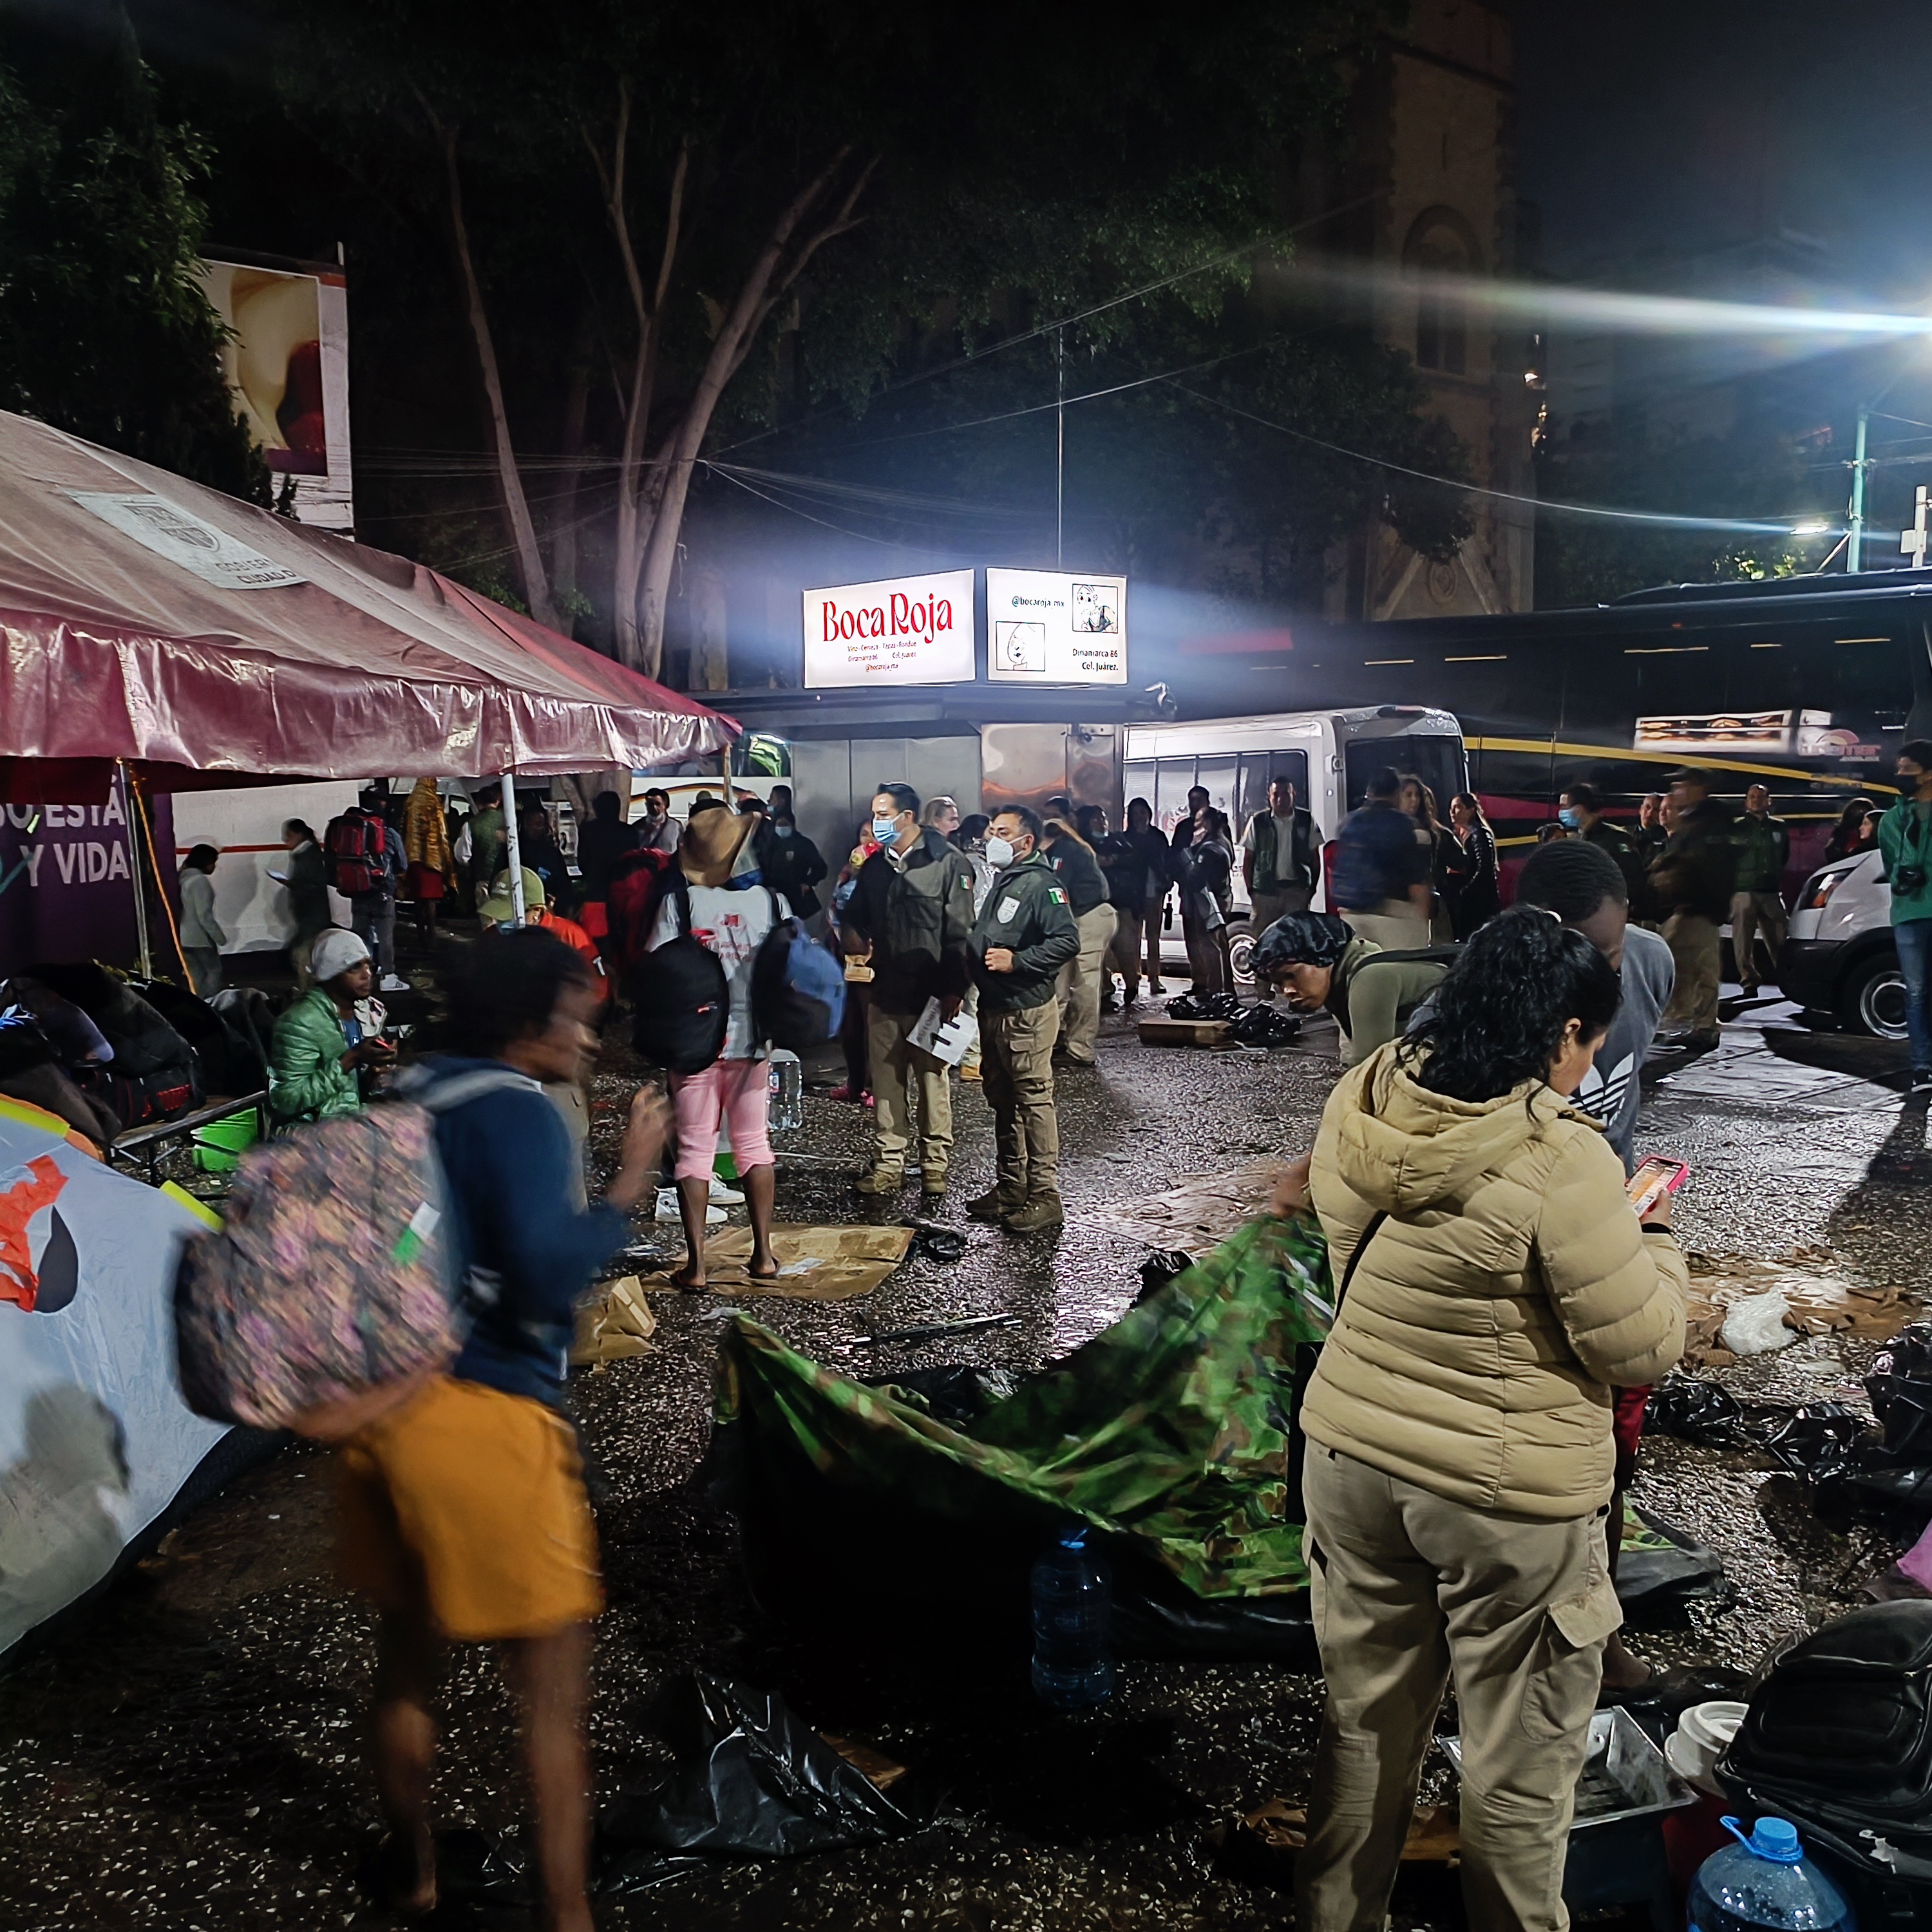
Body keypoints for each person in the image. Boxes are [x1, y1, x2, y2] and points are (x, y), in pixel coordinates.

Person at [1287, 909, 1688, 1932]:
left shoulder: (1365, 1096)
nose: (1590, 1061)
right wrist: (1662, 1243)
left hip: (1351, 1451)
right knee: (1519, 1769)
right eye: (1591, 1041)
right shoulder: (1564, 1158)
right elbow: (1636, 1347)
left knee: (1364, 1729)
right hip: (1502, 1494)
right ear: (1561, 1034)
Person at [337, 927, 668, 1931]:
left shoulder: (411, 1089)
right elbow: (543, 1269)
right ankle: (566, 1917)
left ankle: (417, 1874)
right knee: (551, 1712)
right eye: (576, 1021)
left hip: (379, 1414)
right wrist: (627, 1185)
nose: (589, 1044)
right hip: (486, 1423)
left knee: (404, 1669)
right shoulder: (517, 1114)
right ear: (528, 1022)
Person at [647, 804, 784, 1285]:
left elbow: (656, 971)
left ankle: (698, 1265)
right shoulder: (772, 902)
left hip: (694, 1042)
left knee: (694, 1149)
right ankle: (764, 1255)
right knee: (753, 1143)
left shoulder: (679, 905)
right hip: (755, 1041)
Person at [842, 783, 978, 1200]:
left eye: (884, 814)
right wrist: (855, 944)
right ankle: (889, 1165)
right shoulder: (877, 868)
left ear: (907, 818)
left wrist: (955, 988)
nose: (877, 822)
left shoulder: (947, 863)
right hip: (886, 993)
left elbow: (961, 933)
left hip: (934, 998)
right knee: (887, 1085)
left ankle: (935, 1165)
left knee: (933, 1082)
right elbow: (854, 918)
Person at [1513, 838, 1675, 1171]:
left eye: (1609, 957)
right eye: (1574, 959)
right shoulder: (1469, 1005)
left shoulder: (1651, 963)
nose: (1595, 981)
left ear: (1626, 912)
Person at [967, 806, 1079, 1233]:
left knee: (1033, 1099)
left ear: (1026, 842)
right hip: (995, 1008)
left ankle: (1044, 1195)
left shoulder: (1041, 884)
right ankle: (1011, 1187)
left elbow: (1066, 940)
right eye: (992, 830)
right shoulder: (1006, 879)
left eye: (1003, 832)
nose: (993, 838)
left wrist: (1019, 962)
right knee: (1003, 1100)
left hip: (1025, 1011)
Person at [1253, 912, 1452, 1066]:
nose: (1287, 990)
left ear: (1323, 957)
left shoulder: (1370, 978)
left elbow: (1370, 1073)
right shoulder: (1341, 980)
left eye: (1291, 976)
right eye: (1279, 983)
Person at [269, 929, 395, 1123]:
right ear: (331, 974)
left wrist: (374, 1071)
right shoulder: (300, 1022)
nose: (367, 975)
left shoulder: (367, 1013)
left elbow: (352, 1089)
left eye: (369, 966)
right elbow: (286, 1100)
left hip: (353, 1121)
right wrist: (350, 1059)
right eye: (355, 968)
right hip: (312, 1131)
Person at [1651, 768, 1736, 1048]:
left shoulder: (1711, 820)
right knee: (1698, 965)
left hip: (1699, 906)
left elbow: (1703, 863)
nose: (1677, 791)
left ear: (1700, 788)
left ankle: (1677, 1022)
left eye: (1682, 786)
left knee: (1669, 962)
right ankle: (1701, 1025)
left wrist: (1668, 865)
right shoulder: (1696, 819)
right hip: (1693, 906)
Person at [1879, 741, 1932, 1095]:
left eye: (1907, 769)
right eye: (1898, 768)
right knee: (1916, 994)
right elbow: (1889, 866)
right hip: (1910, 913)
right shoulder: (1892, 819)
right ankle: (1923, 1067)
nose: (1900, 775)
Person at [1331, 768, 1431, 951]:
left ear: (1370, 793)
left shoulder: (1349, 822)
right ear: (1396, 794)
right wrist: (1421, 920)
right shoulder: (1403, 825)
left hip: (1351, 914)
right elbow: (1416, 879)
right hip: (1392, 914)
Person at [481, 869, 610, 1003]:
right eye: (498, 915)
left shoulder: (571, 936)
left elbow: (598, 988)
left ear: (537, 911)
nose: (502, 922)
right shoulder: (491, 937)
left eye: (508, 915)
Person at [1045, 812, 1113, 1061]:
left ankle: (1080, 1049)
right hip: (1073, 918)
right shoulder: (1060, 849)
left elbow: (1056, 890)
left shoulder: (1065, 850)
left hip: (1089, 917)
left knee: (1085, 984)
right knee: (1059, 984)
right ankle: (1052, 1042)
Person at [330, 793, 408, 994]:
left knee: (361, 935)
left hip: (357, 890)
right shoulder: (388, 833)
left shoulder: (351, 829)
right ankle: (389, 977)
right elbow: (402, 864)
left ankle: (362, 975)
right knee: (385, 937)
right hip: (382, 892)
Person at [1241, 775, 1322, 933]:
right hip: (1265, 893)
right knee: (1264, 938)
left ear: (1294, 795)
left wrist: (1311, 890)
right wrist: (1253, 891)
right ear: (1269, 796)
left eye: (1286, 794)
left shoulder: (1306, 820)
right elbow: (1248, 859)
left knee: (1296, 937)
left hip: (1296, 892)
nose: (1281, 799)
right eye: (1276, 794)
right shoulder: (1258, 821)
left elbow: (1315, 858)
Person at [1731, 782, 1791, 996]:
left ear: (1769, 801)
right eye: (1752, 797)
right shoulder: (1736, 826)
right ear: (1746, 801)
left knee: (1780, 936)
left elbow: (1784, 856)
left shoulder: (1779, 826)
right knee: (1742, 941)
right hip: (1744, 891)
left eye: (1760, 796)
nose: (1756, 800)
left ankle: (1786, 977)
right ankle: (1749, 981)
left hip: (1771, 891)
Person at [1175, 803, 1235, 994]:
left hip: (1208, 902)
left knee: (1210, 946)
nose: (1194, 825)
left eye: (1199, 821)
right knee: (1218, 945)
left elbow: (1196, 878)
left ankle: (1216, 989)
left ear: (1208, 823)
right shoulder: (1223, 841)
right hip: (1221, 898)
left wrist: (1187, 860)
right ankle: (1224, 989)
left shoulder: (1210, 848)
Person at [1559, 781, 1645, 908]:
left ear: (1578, 810)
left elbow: (1634, 881)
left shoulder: (1615, 838)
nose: (1561, 812)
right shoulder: (1578, 838)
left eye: (1564, 807)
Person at [574, 791, 639, 952]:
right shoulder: (630, 832)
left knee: (593, 945)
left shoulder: (588, 829)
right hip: (624, 895)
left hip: (595, 893)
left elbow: (582, 860)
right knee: (621, 944)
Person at [276, 819, 332, 987]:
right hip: (311, 915)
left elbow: (313, 885)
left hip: (312, 915)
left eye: (289, 836)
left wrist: (292, 884)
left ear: (300, 835)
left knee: (302, 957)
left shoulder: (308, 856)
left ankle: (308, 993)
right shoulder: (309, 853)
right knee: (303, 955)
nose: (286, 840)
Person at [1438, 793, 1499, 940]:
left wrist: (1466, 892)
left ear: (1471, 810)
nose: (1452, 812)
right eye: (1451, 808)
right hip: (1473, 903)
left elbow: (1484, 868)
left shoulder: (1480, 835)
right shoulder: (1461, 836)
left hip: (1481, 904)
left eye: (1458, 807)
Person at [759, 795, 828, 922]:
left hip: (796, 894)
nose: (781, 827)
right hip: (773, 894)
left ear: (792, 826)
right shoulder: (769, 844)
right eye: (779, 824)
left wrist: (808, 882)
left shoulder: (803, 844)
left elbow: (820, 868)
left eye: (785, 824)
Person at [401, 779, 455, 940]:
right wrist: (448, 861)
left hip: (414, 857)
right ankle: (431, 933)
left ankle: (420, 934)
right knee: (431, 899)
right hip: (433, 858)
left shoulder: (410, 802)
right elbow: (442, 833)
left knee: (418, 898)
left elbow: (402, 828)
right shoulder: (435, 802)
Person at [176, 844, 225, 998]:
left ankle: (198, 1003)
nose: (214, 866)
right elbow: (204, 916)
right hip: (200, 938)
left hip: (183, 937)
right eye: (213, 862)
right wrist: (219, 938)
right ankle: (211, 1004)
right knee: (213, 971)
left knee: (195, 975)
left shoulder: (181, 878)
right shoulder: (199, 881)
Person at [1825, 794, 1877, 864]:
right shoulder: (1841, 838)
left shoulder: (1876, 844)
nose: (1861, 828)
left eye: (1866, 824)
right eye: (1865, 823)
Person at [635, 787, 681, 856]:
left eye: (658, 804)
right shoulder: (637, 827)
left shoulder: (676, 826)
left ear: (665, 805)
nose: (654, 808)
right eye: (650, 804)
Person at [1631, 791, 1669, 870]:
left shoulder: (1666, 839)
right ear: (1641, 809)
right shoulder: (1625, 835)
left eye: (1656, 810)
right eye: (1647, 807)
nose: (1650, 813)